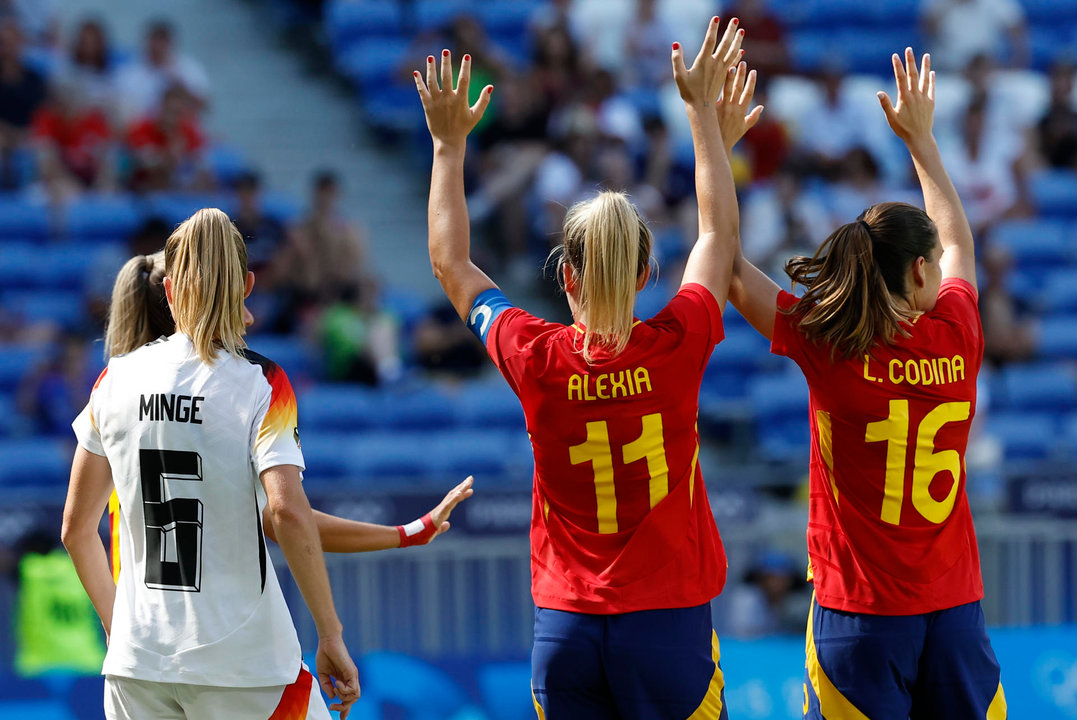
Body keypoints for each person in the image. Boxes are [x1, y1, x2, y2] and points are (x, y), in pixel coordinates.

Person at [413, 17, 754, 717]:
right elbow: (717, 235)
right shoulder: (677, 341)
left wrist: (448, 147)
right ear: (645, 272)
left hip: (567, 625)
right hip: (667, 622)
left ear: (564, 273)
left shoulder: (533, 355)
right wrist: (701, 123)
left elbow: (451, 264)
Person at [721, 49, 1006, 718]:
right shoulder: (958, 333)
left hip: (859, 618)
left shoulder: (832, 342)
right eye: (930, 262)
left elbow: (729, 271)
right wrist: (921, 141)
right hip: (953, 611)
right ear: (916, 273)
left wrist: (717, 146)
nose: (941, 270)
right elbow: (960, 244)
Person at [62, 209, 360, 720]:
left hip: (139, 665)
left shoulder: (113, 379)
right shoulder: (261, 383)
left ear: (171, 289)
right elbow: (288, 514)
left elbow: (75, 529)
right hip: (246, 667)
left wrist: (123, 632)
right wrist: (330, 633)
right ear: (246, 285)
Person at [100, 250, 473, 583]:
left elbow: (76, 529)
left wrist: (113, 627)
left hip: (138, 634)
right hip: (212, 632)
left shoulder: (115, 393)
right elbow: (286, 515)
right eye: (232, 303)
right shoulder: (231, 401)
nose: (248, 318)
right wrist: (407, 533)